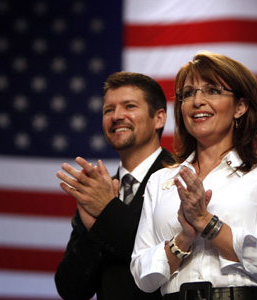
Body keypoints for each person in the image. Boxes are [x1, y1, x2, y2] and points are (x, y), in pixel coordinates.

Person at [130, 52, 257, 300]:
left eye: (212, 91)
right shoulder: (160, 181)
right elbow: (143, 276)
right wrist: (184, 238)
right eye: (188, 94)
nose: (197, 101)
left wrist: (206, 222)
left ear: (240, 107)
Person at [55, 71, 172, 300]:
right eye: (109, 110)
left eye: (129, 106)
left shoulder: (181, 178)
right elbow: (70, 290)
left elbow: (163, 257)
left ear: (159, 118)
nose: (117, 116)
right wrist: (92, 233)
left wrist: (107, 213)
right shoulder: (100, 190)